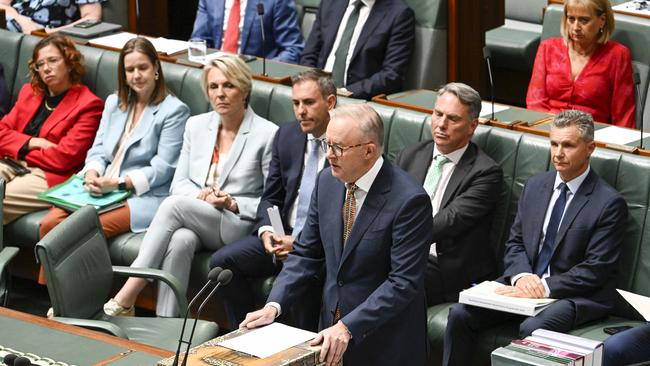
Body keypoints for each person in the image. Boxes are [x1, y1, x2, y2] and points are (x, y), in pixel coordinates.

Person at [241, 104, 433, 366]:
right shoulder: (327, 182)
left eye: (338, 147)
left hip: (385, 341)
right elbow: (306, 253)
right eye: (327, 144)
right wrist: (274, 305)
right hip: (330, 333)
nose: (329, 155)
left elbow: (403, 282)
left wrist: (348, 326)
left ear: (369, 150)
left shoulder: (409, 200)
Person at [442, 109, 629, 366]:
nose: (558, 153)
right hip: (525, 285)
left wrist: (543, 287)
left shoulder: (608, 203)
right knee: (461, 314)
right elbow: (515, 242)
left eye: (568, 145)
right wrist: (522, 276)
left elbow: (596, 269)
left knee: (534, 328)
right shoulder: (535, 186)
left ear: (590, 148)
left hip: (574, 295)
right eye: (553, 143)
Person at [104, 54, 278, 318]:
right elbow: (179, 184)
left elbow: (272, 197)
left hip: (236, 223)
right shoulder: (196, 125)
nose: (220, 93)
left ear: (244, 89)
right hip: (197, 214)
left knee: (173, 206)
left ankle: (128, 293)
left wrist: (231, 202)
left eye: (228, 86)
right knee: (181, 239)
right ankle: (167, 326)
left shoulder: (267, 133)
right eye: (213, 86)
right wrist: (202, 196)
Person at [210, 69, 336, 330]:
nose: (300, 111)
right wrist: (268, 232)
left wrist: (300, 242)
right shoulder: (288, 135)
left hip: (318, 248)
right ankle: (246, 335)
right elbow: (271, 197)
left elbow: (345, 214)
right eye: (296, 103)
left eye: (309, 103)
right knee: (223, 263)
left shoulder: (344, 142)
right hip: (281, 236)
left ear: (330, 102)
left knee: (305, 282)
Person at [39, 37, 189, 241]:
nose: (136, 75)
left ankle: (91, 274)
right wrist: (92, 173)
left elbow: (163, 169)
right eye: (130, 70)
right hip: (102, 188)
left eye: (142, 67)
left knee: (80, 233)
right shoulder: (114, 103)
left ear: (156, 68)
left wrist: (119, 183)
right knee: (48, 225)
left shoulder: (174, 111)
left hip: (142, 196)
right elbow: (98, 149)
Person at [394, 82, 503, 306]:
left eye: (452, 119)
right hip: (402, 252)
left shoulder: (485, 172)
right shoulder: (410, 155)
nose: (441, 124)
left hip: (443, 268)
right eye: (438, 114)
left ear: (472, 126)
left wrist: (393, 236)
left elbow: (449, 221)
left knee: (392, 277)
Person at [0, 34, 103, 224]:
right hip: (11, 162)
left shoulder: (89, 105)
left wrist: (18, 147)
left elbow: (64, 158)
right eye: (40, 64)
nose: (46, 68)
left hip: (48, 175)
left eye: (53, 60)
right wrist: (33, 143)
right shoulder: (29, 92)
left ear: (70, 62)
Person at [526, 0, 635, 128]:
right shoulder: (548, 48)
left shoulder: (617, 55)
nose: (576, 27)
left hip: (590, 135)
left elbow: (623, 114)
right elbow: (535, 103)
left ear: (602, 20)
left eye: (584, 20)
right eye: (571, 19)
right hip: (548, 129)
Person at [300, 0, 415, 100]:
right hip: (315, 93)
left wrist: (344, 93)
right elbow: (309, 54)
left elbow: (391, 75)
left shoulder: (399, 14)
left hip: (356, 100)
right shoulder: (330, 3)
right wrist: (311, 85)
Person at [191, 0, 303, 64]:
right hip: (214, 70)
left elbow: (292, 49)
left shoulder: (276, 1)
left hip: (253, 76)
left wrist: (261, 69)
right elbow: (198, 39)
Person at [1, 0, 103, 35]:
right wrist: (24, 22)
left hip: (49, 34)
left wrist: (47, 33)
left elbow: (92, 19)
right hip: (17, 24)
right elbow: (2, 4)